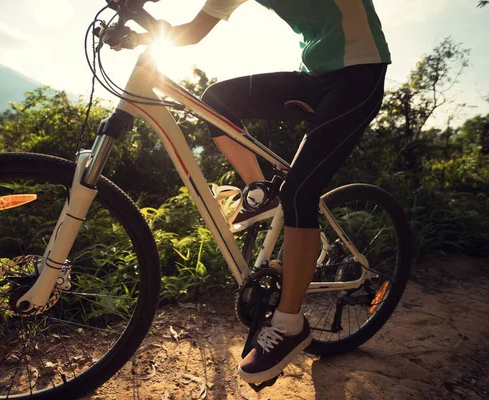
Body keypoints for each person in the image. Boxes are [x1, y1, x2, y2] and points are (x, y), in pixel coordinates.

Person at [133, 0, 391, 384]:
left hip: (360, 74)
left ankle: (289, 325)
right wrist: (139, 23)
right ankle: (260, 190)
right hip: (315, 77)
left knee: (301, 192)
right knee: (218, 100)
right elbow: (191, 32)